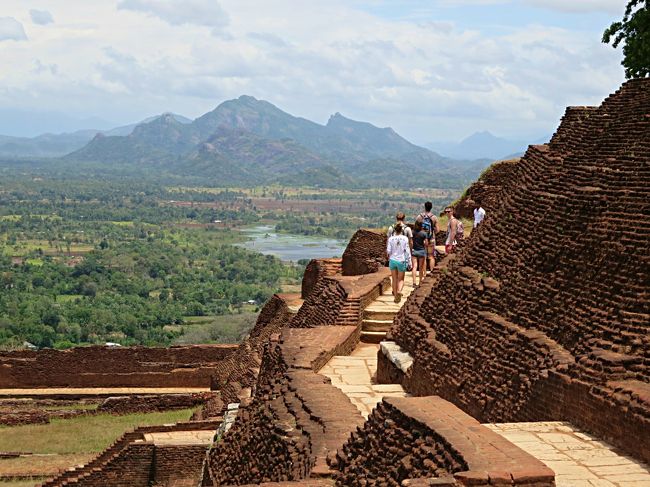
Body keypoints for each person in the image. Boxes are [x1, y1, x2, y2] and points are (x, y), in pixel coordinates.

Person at [386, 223, 411, 303]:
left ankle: (395, 295)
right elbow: (407, 251)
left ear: (394, 230)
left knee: (394, 279)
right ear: (402, 230)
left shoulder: (390, 239)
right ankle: (399, 291)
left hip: (392, 260)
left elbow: (388, 251)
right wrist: (409, 262)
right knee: (401, 279)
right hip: (401, 260)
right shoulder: (405, 238)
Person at [417, 201, 439, 272]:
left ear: (425, 207)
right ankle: (432, 272)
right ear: (431, 208)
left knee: (424, 257)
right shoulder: (434, 217)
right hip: (431, 238)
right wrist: (433, 232)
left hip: (422, 239)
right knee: (431, 257)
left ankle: (424, 274)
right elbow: (438, 230)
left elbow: (416, 229)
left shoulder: (419, 217)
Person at [411, 218, 429, 286]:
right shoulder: (424, 233)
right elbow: (426, 243)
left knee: (414, 267)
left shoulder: (412, 232)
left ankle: (414, 282)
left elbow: (411, 242)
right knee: (421, 268)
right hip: (421, 251)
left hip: (414, 251)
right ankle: (420, 282)